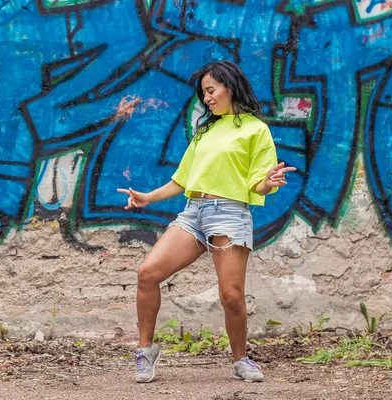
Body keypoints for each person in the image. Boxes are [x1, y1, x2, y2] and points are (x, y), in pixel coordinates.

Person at [117, 60, 296, 384]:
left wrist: (269, 181)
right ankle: (145, 351)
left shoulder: (256, 129)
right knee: (147, 273)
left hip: (230, 212)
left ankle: (240, 359)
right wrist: (147, 197)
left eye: (211, 91)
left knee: (231, 295)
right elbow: (183, 180)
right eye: (204, 94)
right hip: (194, 211)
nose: (207, 98)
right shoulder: (206, 129)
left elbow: (258, 184)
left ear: (230, 86)